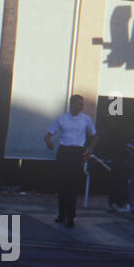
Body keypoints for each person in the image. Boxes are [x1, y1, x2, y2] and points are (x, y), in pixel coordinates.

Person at [44, 95, 97, 228]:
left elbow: (95, 136)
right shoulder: (61, 119)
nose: (81, 107)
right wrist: (49, 143)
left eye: (82, 104)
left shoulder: (86, 119)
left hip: (77, 152)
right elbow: (48, 135)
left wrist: (89, 150)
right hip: (64, 152)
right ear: (72, 104)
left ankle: (71, 216)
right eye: (79, 104)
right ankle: (61, 214)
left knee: (73, 186)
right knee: (62, 185)